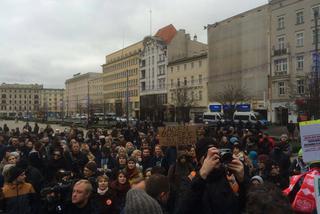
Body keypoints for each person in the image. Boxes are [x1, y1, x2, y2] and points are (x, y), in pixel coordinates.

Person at [176, 142, 247, 214]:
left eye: (217, 154)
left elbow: (241, 206)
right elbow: (182, 209)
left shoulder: (228, 177)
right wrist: (201, 176)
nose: (215, 158)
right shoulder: (190, 179)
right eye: (210, 155)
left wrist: (241, 181)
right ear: (201, 159)